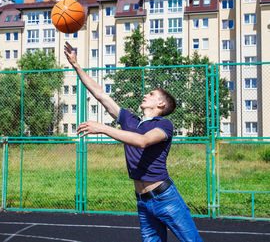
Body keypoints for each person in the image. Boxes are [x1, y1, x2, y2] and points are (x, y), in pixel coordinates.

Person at [64, 41, 203, 242]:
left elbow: (143, 141)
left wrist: (102, 128)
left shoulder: (164, 125)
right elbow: (101, 95)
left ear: (161, 104)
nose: (145, 95)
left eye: (151, 94)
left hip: (165, 198)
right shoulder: (130, 121)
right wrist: (76, 65)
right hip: (142, 201)